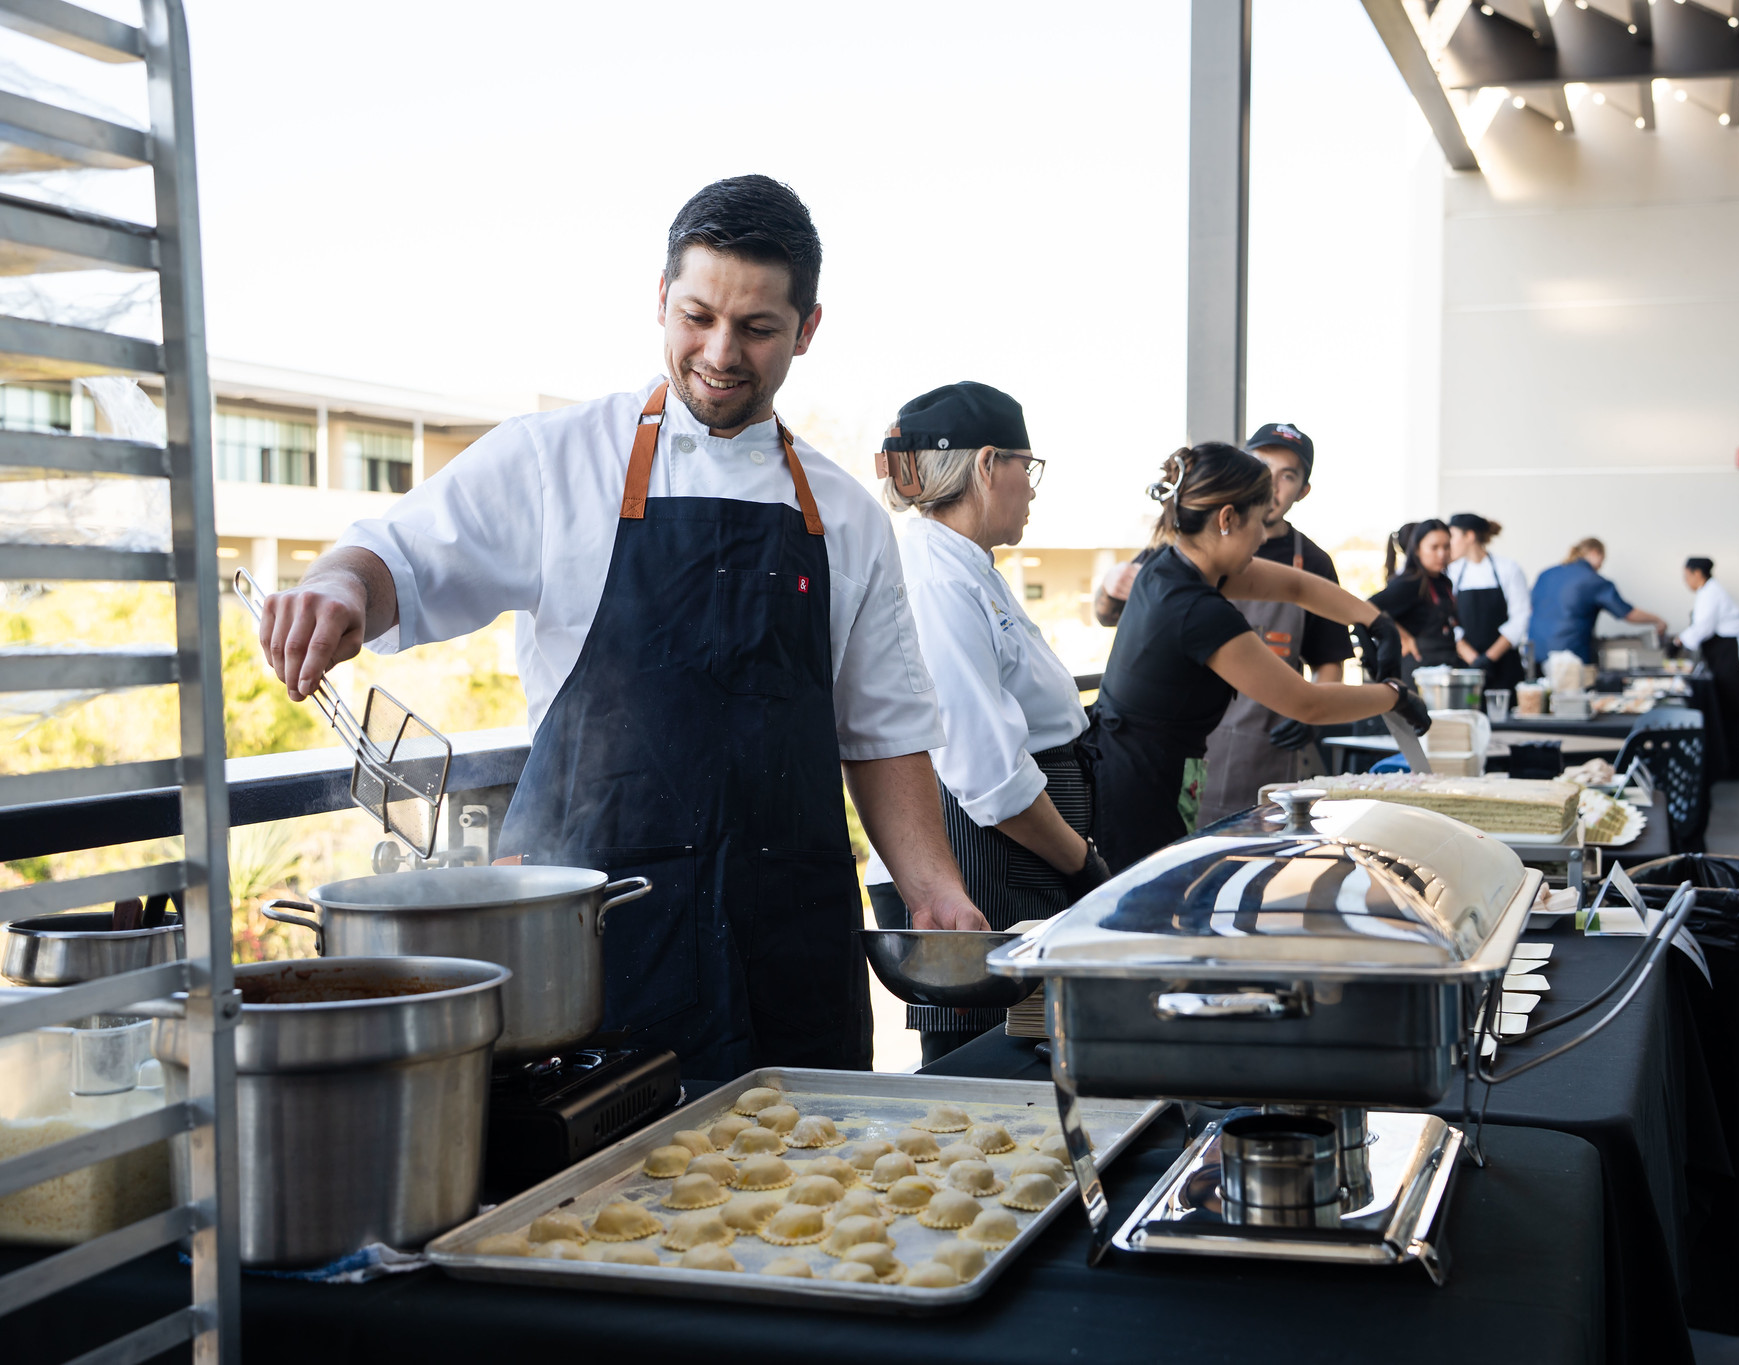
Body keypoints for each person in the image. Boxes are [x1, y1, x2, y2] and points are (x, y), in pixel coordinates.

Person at [255, 176, 988, 1085]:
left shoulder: (846, 515)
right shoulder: (554, 461)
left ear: (807, 329)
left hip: (791, 947)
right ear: (660, 298)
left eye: (758, 328)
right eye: (697, 316)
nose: (720, 352)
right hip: (599, 948)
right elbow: (394, 558)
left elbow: (883, 735)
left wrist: (934, 891)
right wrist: (337, 587)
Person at [861, 381, 1108, 1064]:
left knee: (1029, 1063)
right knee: (985, 1074)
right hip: (980, 863)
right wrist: (1083, 864)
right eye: (1027, 467)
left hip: (1015, 859)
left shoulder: (968, 566)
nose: (1031, 488)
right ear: (987, 464)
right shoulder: (937, 579)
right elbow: (988, 774)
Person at [1088, 443, 1432, 872]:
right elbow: (1308, 702)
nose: (1264, 536)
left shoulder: (1172, 565)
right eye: (1258, 520)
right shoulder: (1195, 609)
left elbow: (1296, 587)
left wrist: (1374, 619)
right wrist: (1394, 695)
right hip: (1137, 788)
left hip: (1150, 771)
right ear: (1227, 519)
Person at [1188, 423, 1356, 826]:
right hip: (1191, 742)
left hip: (1267, 751)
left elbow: (1328, 661)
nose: (1271, 484)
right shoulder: (1199, 546)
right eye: (1262, 466)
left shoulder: (1313, 563)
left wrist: (1309, 715)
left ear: (1303, 491)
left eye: (1288, 476)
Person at [1677, 556, 1739, 779]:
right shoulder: (1708, 591)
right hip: (1727, 656)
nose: (1685, 581)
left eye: (1686, 576)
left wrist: (1678, 641)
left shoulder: (1710, 593)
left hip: (1736, 657)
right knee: (1727, 709)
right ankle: (1728, 765)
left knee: (1732, 709)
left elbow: (1703, 627)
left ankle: (1733, 768)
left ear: (1697, 573)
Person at [1527, 537, 1667, 671]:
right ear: (1595, 553)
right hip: (1570, 657)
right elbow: (1628, 613)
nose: (1601, 566)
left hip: (1535, 654)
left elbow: (1531, 607)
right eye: (1602, 561)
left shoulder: (1545, 574)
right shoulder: (1594, 581)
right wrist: (1657, 620)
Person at [1445, 512, 1530, 693]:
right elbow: (1447, 619)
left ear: (1469, 536)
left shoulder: (1508, 568)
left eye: (1452, 536)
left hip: (1504, 665)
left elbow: (1520, 616)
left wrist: (1489, 658)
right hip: (1465, 667)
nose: (1448, 543)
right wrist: (1474, 659)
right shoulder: (1452, 572)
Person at [1369, 520, 1459, 680]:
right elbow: (1369, 606)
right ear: (1417, 549)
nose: (1442, 554)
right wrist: (1404, 637)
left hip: (1444, 666)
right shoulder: (1409, 582)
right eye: (1434, 547)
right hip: (1417, 670)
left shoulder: (1444, 582)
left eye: (1446, 547)